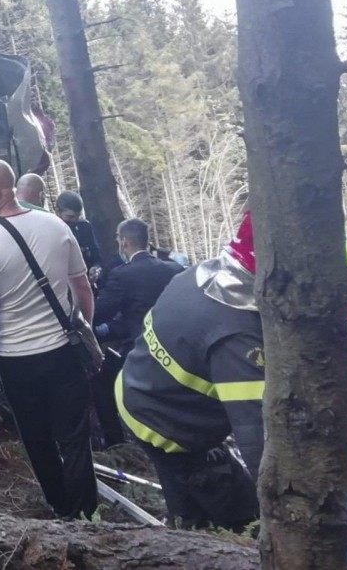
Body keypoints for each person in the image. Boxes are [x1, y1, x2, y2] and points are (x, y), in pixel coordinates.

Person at [0, 159, 98, 519]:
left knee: (37, 439)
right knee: (74, 436)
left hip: (15, 358)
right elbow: (82, 286)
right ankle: (87, 511)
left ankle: (61, 508)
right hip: (63, 350)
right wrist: (84, 327)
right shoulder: (55, 225)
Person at [117, 212, 261, 531]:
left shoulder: (195, 275)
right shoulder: (238, 337)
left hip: (138, 393)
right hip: (171, 427)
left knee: (184, 502)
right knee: (243, 514)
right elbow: (256, 436)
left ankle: (185, 524)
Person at [89, 218, 184, 449]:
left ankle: (116, 442)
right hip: (178, 347)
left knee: (100, 383)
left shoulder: (123, 274)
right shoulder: (174, 269)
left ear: (124, 242)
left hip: (143, 349)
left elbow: (100, 312)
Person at [55, 191, 102, 271]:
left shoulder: (84, 227)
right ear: (58, 212)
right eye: (70, 217)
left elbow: (96, 257)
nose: (74, 221)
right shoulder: (52, 231)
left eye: (78, 217)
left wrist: (96, 268)